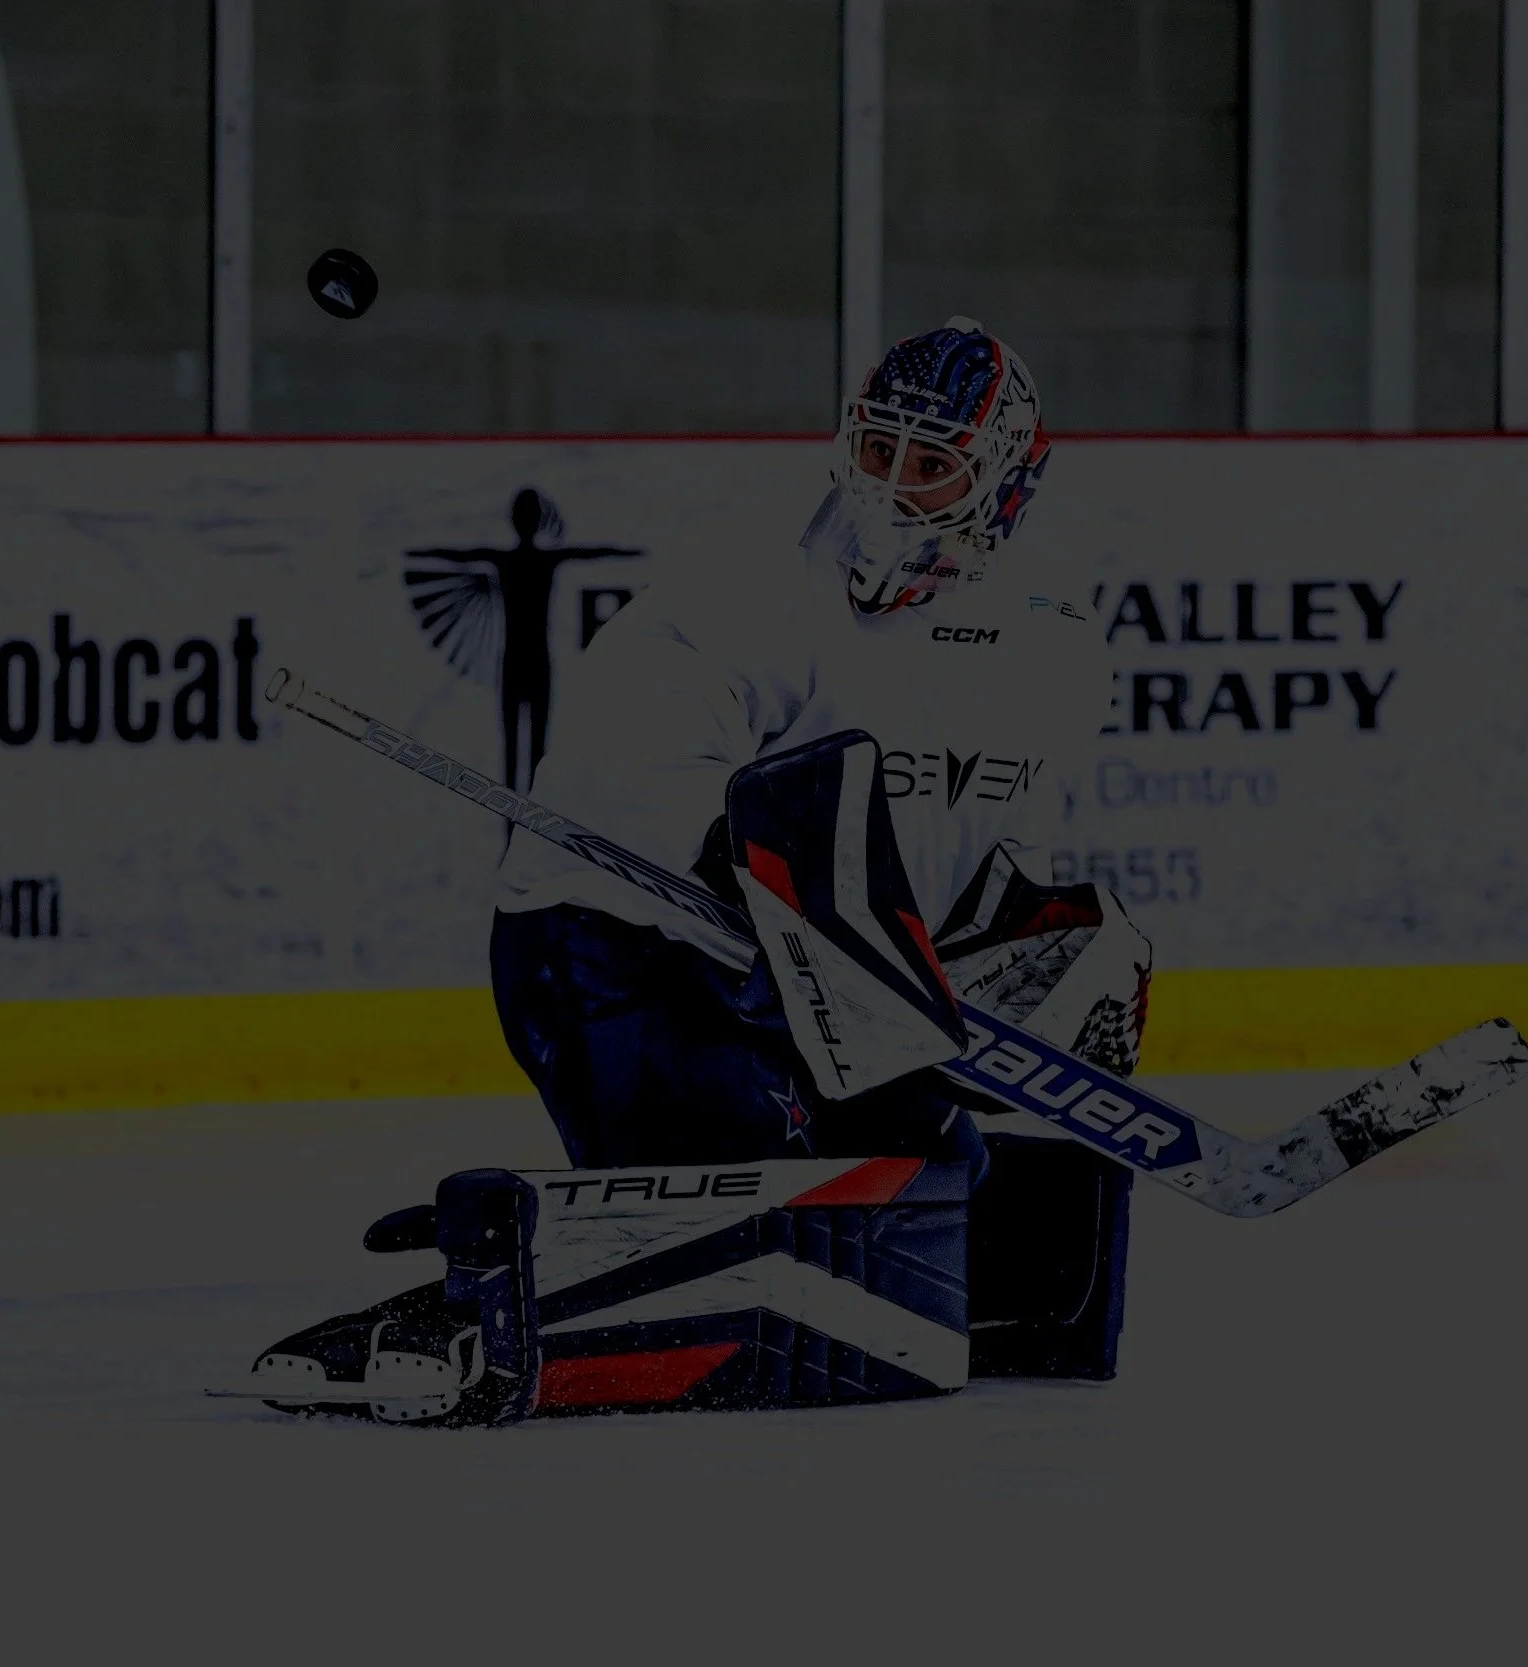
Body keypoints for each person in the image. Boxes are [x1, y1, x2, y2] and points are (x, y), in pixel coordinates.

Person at [487, 318, 1152, 1380]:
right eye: (878, 448)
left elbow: (964, 857)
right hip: (622, 945)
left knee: (940, 1185)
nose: (890, 485)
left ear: (1003, 488)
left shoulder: (1052, 647)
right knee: (744, 1198)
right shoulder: (744, 589)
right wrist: (741, 862)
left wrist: (1030, 955)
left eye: (932, 465)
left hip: (832, 981)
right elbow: (613, 781)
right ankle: (512, 1277)